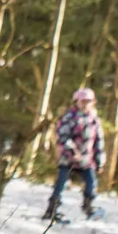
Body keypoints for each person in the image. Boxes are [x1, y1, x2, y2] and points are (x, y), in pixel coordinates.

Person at [43, 87, 105, 221]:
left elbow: (98, 142)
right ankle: (52, 210)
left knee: (91, 183)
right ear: (76, 101)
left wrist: (99, 161)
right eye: (82, 101)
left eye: (88, 101)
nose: (85, 104)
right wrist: (71, 151)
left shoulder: (94, 120)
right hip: (68, 159)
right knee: (61, 184)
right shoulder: (70, 117)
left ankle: (88, 207)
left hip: (86, 161)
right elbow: (62, 137)